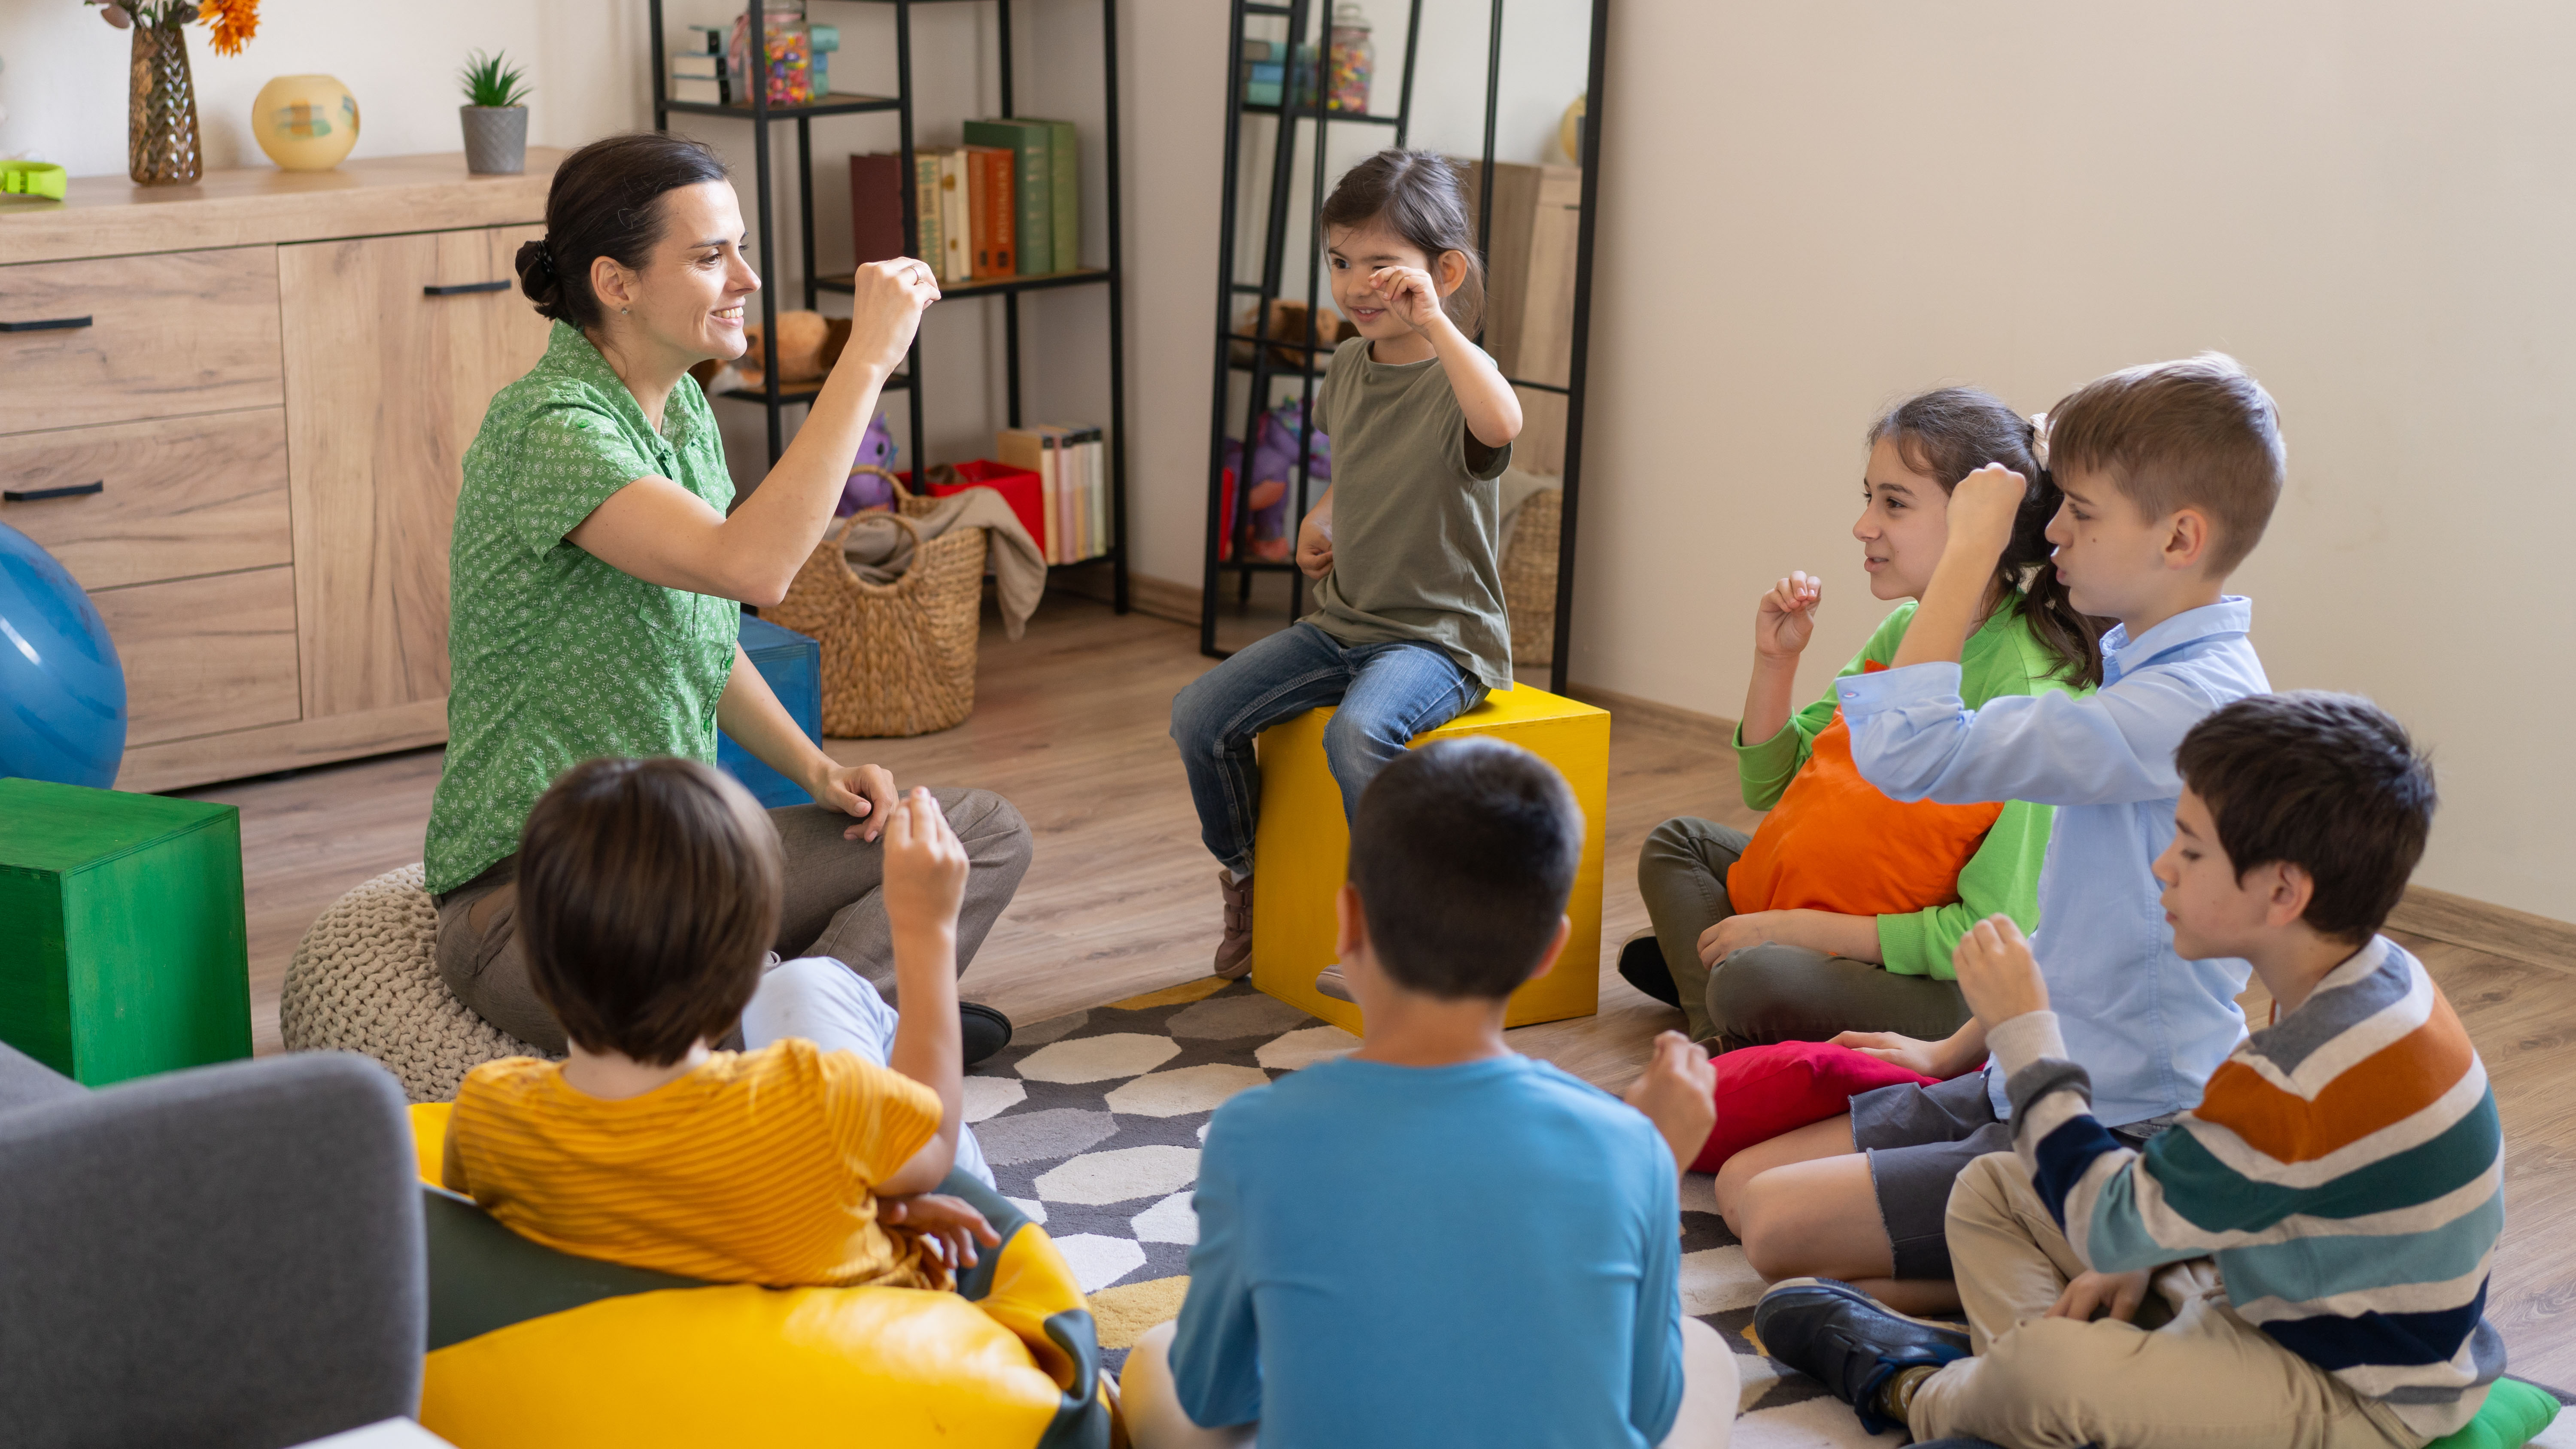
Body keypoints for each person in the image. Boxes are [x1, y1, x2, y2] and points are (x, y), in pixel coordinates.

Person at [1756, 692, 2502, 1449]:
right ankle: (2016, 1396)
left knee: (2049, 1368)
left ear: (2283, 891)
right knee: (1995, 1188)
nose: (2162, 866)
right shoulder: (2369, 979)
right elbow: (2262, 1193)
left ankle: (1921, 1388)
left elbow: (2112, 1230)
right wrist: (2152, 1248)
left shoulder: (2298, 1074)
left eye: (2190, 848)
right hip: (2273, 1295)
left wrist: (2024, 1033)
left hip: (2355, 1390)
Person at [426, 131, 1032, 1062]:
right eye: (711, 257)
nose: (746, 277)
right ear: (616, 284)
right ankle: (843, 1027)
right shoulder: (551, 429)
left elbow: (705, 634)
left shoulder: (685, 416)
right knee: (684, 995)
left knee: (980, 834)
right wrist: (865, 359)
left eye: (739, 248)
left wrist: (820, 770)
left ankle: (820, 1027)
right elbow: (757, 570)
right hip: (538, 901)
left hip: (682, 867)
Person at [1716, 354, 2283, 1315]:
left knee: (1775, 1229)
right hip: (2023, 1071)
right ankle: (2057, 1254)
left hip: (2120, 1121)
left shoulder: (2184, 708)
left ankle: (2119, 1259)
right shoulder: (2135, 669)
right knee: (1740, 1185)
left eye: (2082, 513)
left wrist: (1975, 549)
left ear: (2181, 536)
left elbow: (1910, 753)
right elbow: (2070, 922)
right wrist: (1957, 1050)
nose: (2053, 530)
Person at [1118, 738, 1739, 1449]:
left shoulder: (1253, 1133)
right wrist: (1655, 1170)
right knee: (1705, 1354)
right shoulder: (1630, 1145)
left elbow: (1211, 1391)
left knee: (1158, 1356)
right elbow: (1650, 1411)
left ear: (1349, 922)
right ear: (1549, 950)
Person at [1626, 388, 2101, 1050]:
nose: (1863, 526)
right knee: (1679, 843)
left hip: (1956, 992)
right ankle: (1719, 1026)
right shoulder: (1906, 626)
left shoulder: (2030, 691)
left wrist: (1793, 932)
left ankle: (1722, 995)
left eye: (1894, 503)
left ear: (1979, 526)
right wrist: (1775, 663)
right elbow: (1772, 789)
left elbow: (1993, 930)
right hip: (1853, 906)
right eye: (1869, 498)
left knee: (1753, 980)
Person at [443, 757, 1004, 1288]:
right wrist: (925, 932)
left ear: (535, 967)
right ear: (748, 975)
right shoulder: (819, 1100)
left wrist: (866, 1203)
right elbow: (934, 1145)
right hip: (865, 1365)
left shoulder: (487, 1114)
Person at [1170, 149, 1522, 989]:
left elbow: (1501, 423)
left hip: (1440, 637)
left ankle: (1388, 930)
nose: (1358, 283)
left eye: (1381, 264)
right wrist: (1321, 519)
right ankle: (1255, 882)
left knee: (1359, 734)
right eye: (1340, 261)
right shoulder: (1347, 371)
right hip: (1345, 621)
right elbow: (1354, 473)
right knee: (1200, 715)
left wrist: (1438, 324)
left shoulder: (1460, 379)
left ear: (1444, 271)